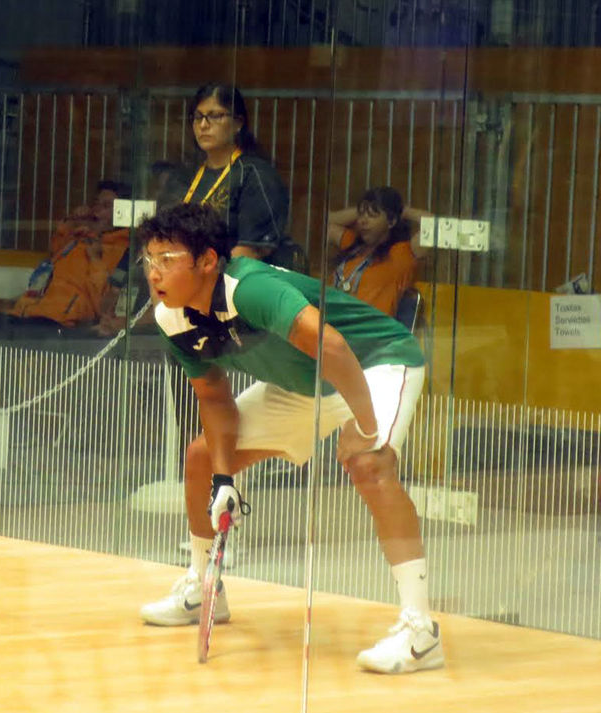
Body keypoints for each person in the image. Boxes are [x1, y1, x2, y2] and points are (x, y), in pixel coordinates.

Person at [136, 203, 443, 675]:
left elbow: (333, 346)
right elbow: (216, 400)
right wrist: (223, 480)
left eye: (168, 259)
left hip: (376, 363)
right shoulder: (172, 318)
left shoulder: (250, 288)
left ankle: (421, 629)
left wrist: (363, 429)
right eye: (149, 260)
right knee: (201, 457)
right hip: (303, 386)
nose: (154, 273)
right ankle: (205, 590)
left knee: (369, 465)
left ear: (207, 261)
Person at [0, 181, 134, 351]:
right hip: (24, 315)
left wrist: (96, 260)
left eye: (107, 206)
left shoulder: (122, 251)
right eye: (96, 204)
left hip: (59, 326)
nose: (97, 211)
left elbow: (103, 306)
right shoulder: (79, 238)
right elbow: (54, 253)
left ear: (123, 213)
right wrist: (71, 222)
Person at [182, 83, 302, 271]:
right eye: (198, 117)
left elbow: (248, 252)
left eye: (215, 116)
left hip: (229, 285)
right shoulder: (185, 174)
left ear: (238, 123)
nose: (204, 125)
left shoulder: (256, 175)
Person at [326, 187, 432, 319]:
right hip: (332, 322)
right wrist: (367, 207)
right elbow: (327, 222)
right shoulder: (353, 244)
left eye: (372, 215)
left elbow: (432, 225)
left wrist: (399, 210)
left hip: (368, 331)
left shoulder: (402, 254)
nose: (363, 221)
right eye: (361, 215)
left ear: (391, 221)